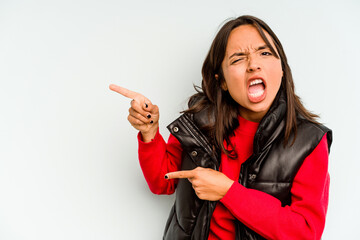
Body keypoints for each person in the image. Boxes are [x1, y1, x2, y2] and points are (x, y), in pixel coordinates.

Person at [109, 15, 332, 240]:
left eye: (265, 53)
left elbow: (305, 232)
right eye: (238, 59)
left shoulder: (309, 141)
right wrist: (149, 131)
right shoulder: (199, 122)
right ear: (222, 80)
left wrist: (228, 191)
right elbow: (162, 182)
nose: (254, 64)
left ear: (282, 68)